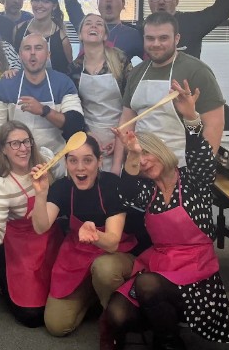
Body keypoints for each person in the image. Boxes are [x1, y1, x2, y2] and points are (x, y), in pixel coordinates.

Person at [105, 81, 229, 350]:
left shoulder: (193, 179)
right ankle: (162, 320)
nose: (144, 162)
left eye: (147, 153)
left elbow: (201, 156)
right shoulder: (147, 191)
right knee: (116, 314)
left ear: (161, 150)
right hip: (161, 266)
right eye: (139, 158)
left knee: (146, 285)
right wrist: (132, 154)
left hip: (197, 272)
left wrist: (191, 117)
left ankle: (169, 342)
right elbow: (125, 192)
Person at [31, 134, 146, 337]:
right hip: (76, 255)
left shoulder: (111, 185)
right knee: (56, 325)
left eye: (87, 160)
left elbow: (112, 242)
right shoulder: (62, 187)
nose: (80, 168)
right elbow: (41, 227)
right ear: (66, 163)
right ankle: (95, 294)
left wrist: (95, 235)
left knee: (104, 269)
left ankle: (114, 318)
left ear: (99, 161)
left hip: (113, 254)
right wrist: (40, 195)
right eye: (73, 160)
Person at [0, 121, 61, 328]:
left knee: (61, 300)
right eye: (15, 144)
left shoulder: (46, 165)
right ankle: (4, 281)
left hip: (51, 240)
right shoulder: (2, 186)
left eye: (26, 141)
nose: (23, 148)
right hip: (23, 248)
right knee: (32, 316)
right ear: (3, 149)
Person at [115, 12, 225, 169]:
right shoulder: (136, 73)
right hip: (141, 164)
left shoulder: (197, 71)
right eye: (150, 38)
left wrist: (201, 169)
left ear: (177, 38)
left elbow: (214, 124)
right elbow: (127, 119)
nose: (156, 44)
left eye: (163, 38)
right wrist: (124, 158)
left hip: (180, 167)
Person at [0, 32, 85, 155]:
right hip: (16, 162)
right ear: (20, 55)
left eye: (38, 48)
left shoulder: (63, 83)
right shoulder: (3, 87)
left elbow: (75, 125)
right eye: (27, 48)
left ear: (48, 55)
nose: (32, 52)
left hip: (56, 160)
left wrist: (44, 111)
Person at [69, 14, 132, 174]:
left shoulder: (120, 60)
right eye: (88, 23)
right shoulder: (75, 68)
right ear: (80, 35)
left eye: (99, 24)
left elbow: (131, 105)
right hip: (88, 138)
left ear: (105, 35)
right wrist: (88, 134)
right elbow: (74, 109)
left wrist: (120, 138)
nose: (93, 26)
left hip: (121, 134)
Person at [13, 0, 72, 73]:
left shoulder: (62, 39)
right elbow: (12, 63)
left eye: (45, 2)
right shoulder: (18, 30)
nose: (39, 5)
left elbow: (69, 70)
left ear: (54, 6)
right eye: (36, 0)